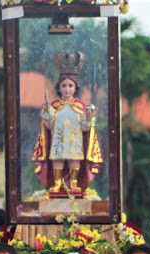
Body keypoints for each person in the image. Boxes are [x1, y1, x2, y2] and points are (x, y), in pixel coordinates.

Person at [31, 51, 103, 195]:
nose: (67, 89)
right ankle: (57, 182)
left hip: (74, 140)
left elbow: (84, 127)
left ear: (75, 88)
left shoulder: (80, 107)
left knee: (74, 160)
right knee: (57, 159)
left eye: (70, 86)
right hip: (58, 140)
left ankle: (74, 183)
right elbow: (49, 125)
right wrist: (46, 112)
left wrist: (88, 119)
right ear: (59, 88)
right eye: (64, 86)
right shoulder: (55, 106)